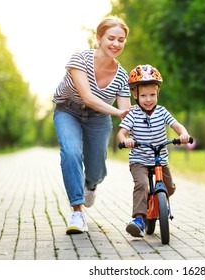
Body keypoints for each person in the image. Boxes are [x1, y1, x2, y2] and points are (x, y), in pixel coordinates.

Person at [53, 16, 131, 234]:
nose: (116, 44)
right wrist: (117, 111)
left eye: (121, 40)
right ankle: (77, 212)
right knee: (71, 153)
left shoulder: (122, 76)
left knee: (96, 169)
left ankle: (92, 185)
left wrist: (138, 129)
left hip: (98, 118)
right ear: (98, 38)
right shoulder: (79, 59)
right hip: (68, 111)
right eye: (111, 38)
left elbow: (126, 113)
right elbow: (87, 97)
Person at [117, 64, 191, 238]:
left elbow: (176, 125)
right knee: (141, 185)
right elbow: (121, 133)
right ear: (135, 95)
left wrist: (184, 134)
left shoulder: (162, 112)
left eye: (152, 95)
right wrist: (125, 140)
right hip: (139, 160)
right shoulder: (133, 115)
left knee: (170, 188)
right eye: (143, 95)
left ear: (158, 93)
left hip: (160, 159)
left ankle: (156, 201)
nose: (148, 99)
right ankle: (139, 220)